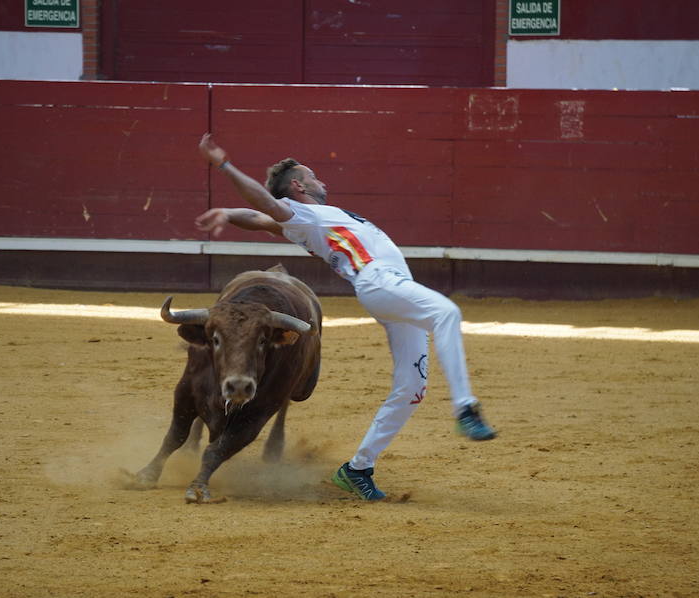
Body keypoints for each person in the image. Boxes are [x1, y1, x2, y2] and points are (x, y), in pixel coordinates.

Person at [194, 133, 495, 501]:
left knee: (411, 389)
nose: (324, 182)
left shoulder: (309, 219)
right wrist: (224, 165)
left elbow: (256, 216)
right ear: (298, 185)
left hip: (390, 290)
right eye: (315, 176)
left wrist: (227, 213)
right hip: (379, 280)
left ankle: (358, 469)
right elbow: (263, 204)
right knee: (447, 313)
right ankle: (466, 408)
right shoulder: (300, 213)